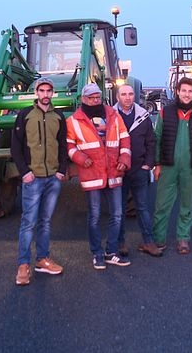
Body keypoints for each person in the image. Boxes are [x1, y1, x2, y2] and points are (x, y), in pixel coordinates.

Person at [67, 82, 132, 269]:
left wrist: (125, 158)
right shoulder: (73, 121)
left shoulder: (113, 115)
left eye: (97, 97)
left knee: (117, 214)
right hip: (92, 173)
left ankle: (111, 252)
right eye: (91, 98)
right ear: (83, 99)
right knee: (94, 216)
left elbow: (125, 138)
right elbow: (69, 145)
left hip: (113, 171)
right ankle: (97, 253)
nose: (95, 100)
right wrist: (80, 158)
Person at [11, 77, 70, 286]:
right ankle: (23, 265)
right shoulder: (25, 115)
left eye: (49, 91)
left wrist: (62, 170)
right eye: (42, 90)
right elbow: (16, 147)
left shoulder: (58, 116)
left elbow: (63, 144)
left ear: (53, 93)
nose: (45, 94)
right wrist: (24, 172)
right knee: (29, 222)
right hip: (33, 178)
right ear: (37, 93)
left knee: (45, 222)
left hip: (52, 178)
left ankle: (43, 259)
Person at [152, 77, 192, 254]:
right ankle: (158, 239)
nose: (187, 94)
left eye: (190, 91)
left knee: (187, 206)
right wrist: (157, 164)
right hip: (168, 166)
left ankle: (183, 239)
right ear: (177, 91)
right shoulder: (165, 112)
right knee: (162, 205)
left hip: (191, 168)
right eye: (183, 91)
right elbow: (158, 139)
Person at [113, 84, 162, 257]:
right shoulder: (111, 116)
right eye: (124, 94)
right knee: (119, 209)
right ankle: (119, 243)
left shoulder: (143, 116)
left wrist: (148, 164)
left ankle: (148, 242)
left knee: (142, 207)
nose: (127, 97)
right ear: (117, 97)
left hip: (139, 169)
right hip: (119, 170)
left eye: (130, 94)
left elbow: (151, 141)